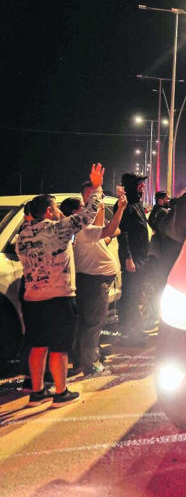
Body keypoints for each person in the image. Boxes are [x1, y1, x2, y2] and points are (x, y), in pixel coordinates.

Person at [17, 163, 105, 408]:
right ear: (47, 211)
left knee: (37, 345)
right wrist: (97, 188)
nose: (58, 212)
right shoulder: (58, 230)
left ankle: (36, 392)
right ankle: (60, 392)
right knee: (59, 347)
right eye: (55, 208)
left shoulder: (22, 236)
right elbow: (87, 216)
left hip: (32, 299)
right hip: (58, 298)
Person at [60, 184, 127, 376]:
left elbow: (107, 231)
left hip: (92, 279)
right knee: (93, 324)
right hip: (93, 281)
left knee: (87, 323)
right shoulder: (81, 229)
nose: (86, 208)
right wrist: (120, 209)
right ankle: (90, 365)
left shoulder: (81, 228)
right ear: (75, 212)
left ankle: (83, 360)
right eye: (83, 204)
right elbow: (109, 230)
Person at [117, 172, 151, 344]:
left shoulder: (137, 204)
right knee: (130, 295)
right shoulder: (125, 205)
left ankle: (136, 329)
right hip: (133, 259)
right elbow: (122, 234)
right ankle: (130, 333)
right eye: (140, 184)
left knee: (136, 294)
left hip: (141, 257)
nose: (143, 187)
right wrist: (128, 258)